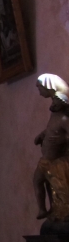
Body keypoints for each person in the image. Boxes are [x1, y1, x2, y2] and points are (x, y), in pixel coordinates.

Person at [33, 73, 69, 222]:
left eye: (40, 88)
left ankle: (60, 210)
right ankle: (45, 209)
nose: (52, 105)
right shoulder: (55, 116)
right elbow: (50, 129)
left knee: (58, 188)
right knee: (38, 181)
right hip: (46, 159)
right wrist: (42, 135)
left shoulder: (64, 119)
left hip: (55, 161)